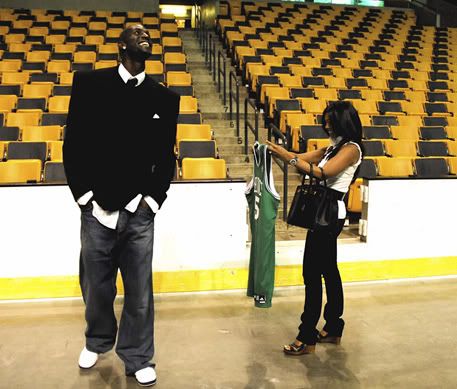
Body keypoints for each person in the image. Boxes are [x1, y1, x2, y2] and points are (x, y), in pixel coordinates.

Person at [63, 24, 180, 386]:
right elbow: (73, 145)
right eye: (137, 32)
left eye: (148, 33)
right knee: (96, 287)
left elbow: (165, 159)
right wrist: (84, 198)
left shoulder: (164, 98)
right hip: (96, 210)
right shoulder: (89, 85)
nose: (146, 35)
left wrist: (152, 202)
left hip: (139, 215)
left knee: (140, 293)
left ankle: (138, 356)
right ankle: (97, 340)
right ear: (121, 45)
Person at [266, 101, 364, 355]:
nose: (326, 124)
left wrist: (293, 159)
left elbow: (323, 172)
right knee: (328, 270)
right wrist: (280, 152)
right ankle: (333, 326)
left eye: (331, 120)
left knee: (312, 273)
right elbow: (305, 159)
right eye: (326, 120)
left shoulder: (352, 149)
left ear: (344, 121)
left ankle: (306, 335)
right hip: (325, 209)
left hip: (330, 210)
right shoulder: (334, 145)